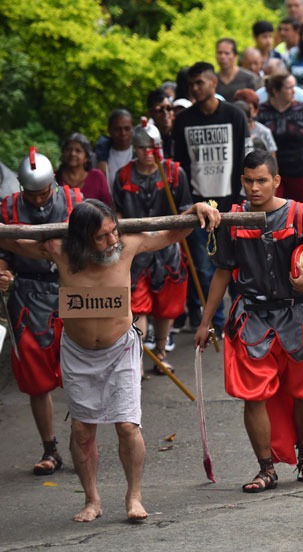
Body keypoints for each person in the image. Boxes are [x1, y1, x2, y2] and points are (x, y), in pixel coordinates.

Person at [1, 196, 220, 521]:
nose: (112, 240)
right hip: (77, 353)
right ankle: (92, 500)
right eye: (102, 237)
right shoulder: (59, 250)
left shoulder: (128, 243)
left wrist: (195, 211)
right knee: (82, 430)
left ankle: (134, 496)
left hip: (121, 350)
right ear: (82, 240)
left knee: (128, 426)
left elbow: (171, 233)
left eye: (113, 231)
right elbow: (13, 241)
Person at [193, 151, 303, 493]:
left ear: (276, 181)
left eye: (262, 181)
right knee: (252, 396)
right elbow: (223, 273)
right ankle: (265, 468)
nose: (255, 187)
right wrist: (204, 321)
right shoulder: (232, 218)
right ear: (241, 181)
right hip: (251, 319)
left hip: (299, 317)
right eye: (249, 181)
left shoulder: (300, 214)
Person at [0, 152, 84, 478]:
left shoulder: (76, 201)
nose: (37, 198)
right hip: (27, 297)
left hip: (70, 292)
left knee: (79, 374)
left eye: (43, 191)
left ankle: (82, 444)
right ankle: (50, 449)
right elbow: (3, 251)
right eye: (30, 193)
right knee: (36, 380)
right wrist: (3, 273)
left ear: (53, 184)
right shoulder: (7, 208)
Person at [171, 61, 251, 331]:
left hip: (231, 207)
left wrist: (244, 202)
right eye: (191, 84)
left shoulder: (234, 116)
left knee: (238, 268)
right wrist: (187, 205)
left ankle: (241, 319)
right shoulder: (183, 121)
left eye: (199, 83)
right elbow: (179, 166)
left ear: (213, 82)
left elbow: (245, 158)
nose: (195, 88)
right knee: (204, 270)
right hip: (199, 210)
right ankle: (215, 323)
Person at [111, 122, 191, 366]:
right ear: (135, 148)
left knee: (166, 303)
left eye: (153, 147)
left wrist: (176, 228)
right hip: (136, 250)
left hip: (168, 247)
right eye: (144, 148)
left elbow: (187, 209)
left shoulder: (175, 172)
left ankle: (161, 351)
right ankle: (140, 357)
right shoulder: (123, 175)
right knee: (138, 303)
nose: (149, 153)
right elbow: (118, 214)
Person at [256, 73, 303, 204]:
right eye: (289, 88)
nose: (294, 92)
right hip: (271, 173)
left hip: (300, 172)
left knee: (300, 215)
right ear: (276, 91)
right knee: (273, 215)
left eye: (295, 87)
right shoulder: (261, 112)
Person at [56, 133, 112, 207]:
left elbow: (108, 207)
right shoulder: (54, 178)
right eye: (68, 149)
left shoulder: (97, 177)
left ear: (86, 157)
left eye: (78, 151)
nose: (72, 154)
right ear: (63, 153)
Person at [95, 108, 134, 188]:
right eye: (117, 129)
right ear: (109, 130)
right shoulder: (99, 157)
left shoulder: (140, 154)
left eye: (127, 129)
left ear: (133, 129)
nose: (123, 133)